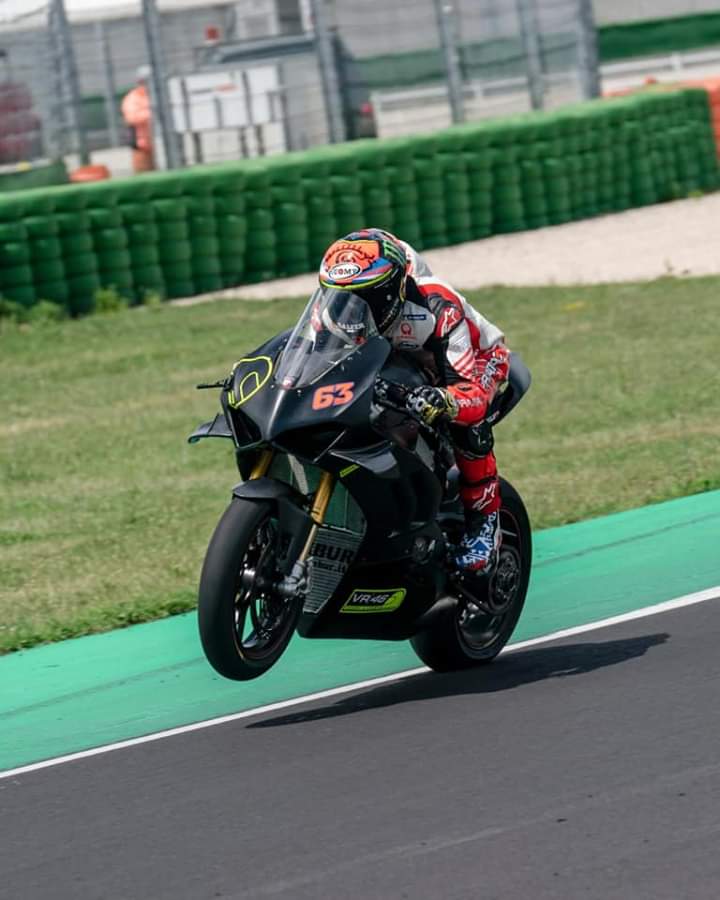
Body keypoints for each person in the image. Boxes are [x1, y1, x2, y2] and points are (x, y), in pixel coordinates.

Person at [319, 228, 510, 573]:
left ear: (392, 289)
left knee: (464, 422)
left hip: (476, 361)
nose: (352, 309)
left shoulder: (437, 306)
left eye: (366, 297)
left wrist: (444, 400)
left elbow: (468, 390)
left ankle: (485, 521)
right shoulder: (331, 312)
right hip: (398, 358)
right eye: (342, 296)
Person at [121, 66, 155, 173]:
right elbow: (131, 118)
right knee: (144, 173)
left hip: (157, 143)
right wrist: (152, 114)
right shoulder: (133, 97)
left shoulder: (154, 95)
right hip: (142, 145)